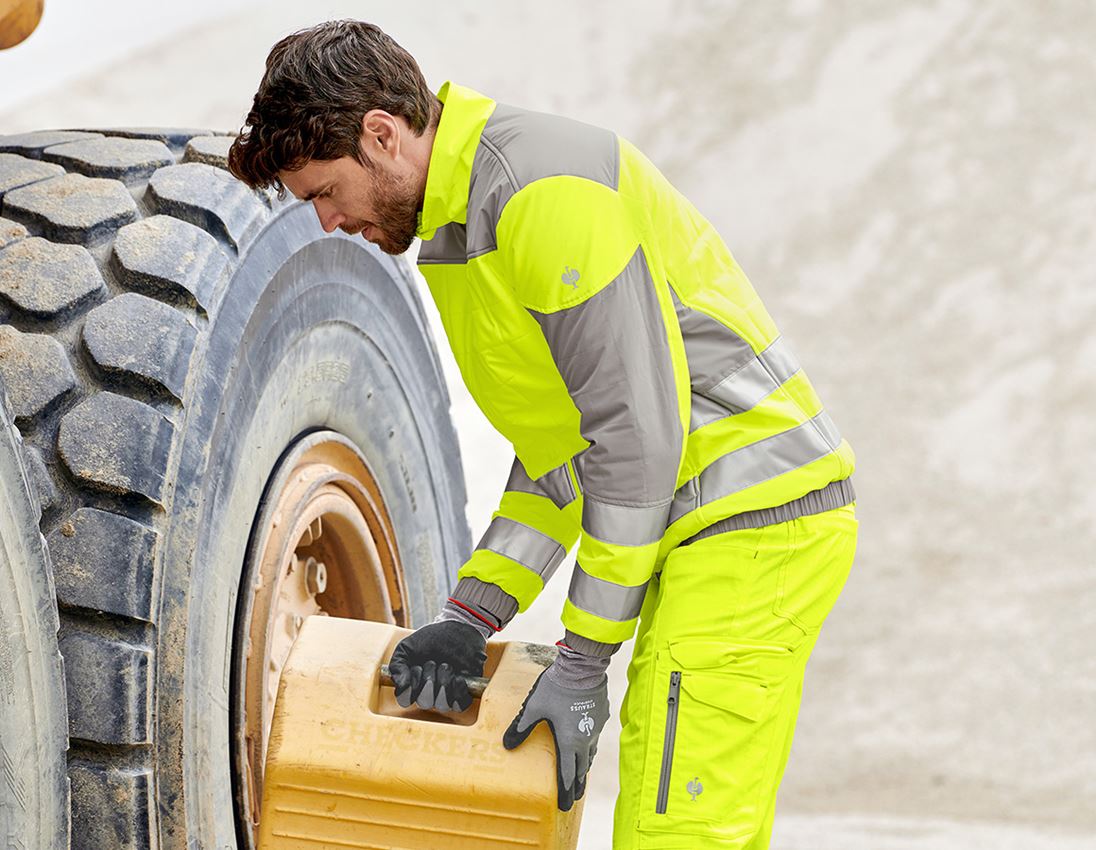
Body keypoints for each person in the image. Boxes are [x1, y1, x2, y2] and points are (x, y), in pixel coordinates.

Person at [228, 19, 858, 849]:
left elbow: (636, 444)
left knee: (682, 831)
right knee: (669, 816)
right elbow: (565, 460)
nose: (326, 222)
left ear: (380, 135)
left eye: (323, 191)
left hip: (754, 519)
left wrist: (583, 659)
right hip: (705, 527)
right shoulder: (460, 231)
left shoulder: (543, 194)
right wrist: (470, 613)